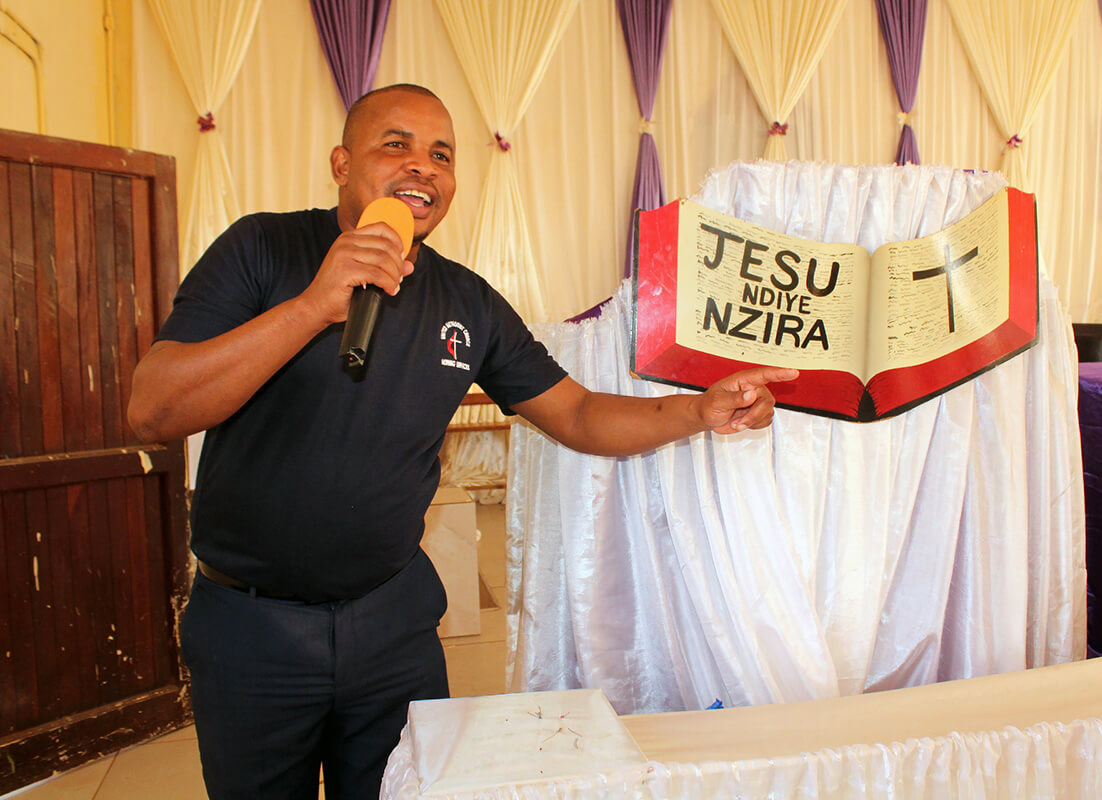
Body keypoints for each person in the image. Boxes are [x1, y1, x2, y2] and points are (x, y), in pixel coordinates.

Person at [127, 83, 796, 800]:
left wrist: (700, 413)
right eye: (397, 145)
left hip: (391, 628)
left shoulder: (466, 301)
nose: (423, 167)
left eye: (441, 155)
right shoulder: (264, 247)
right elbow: (153, 409)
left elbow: (576, 414)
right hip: (252, 628)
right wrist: (314, 307)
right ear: (341, 164)